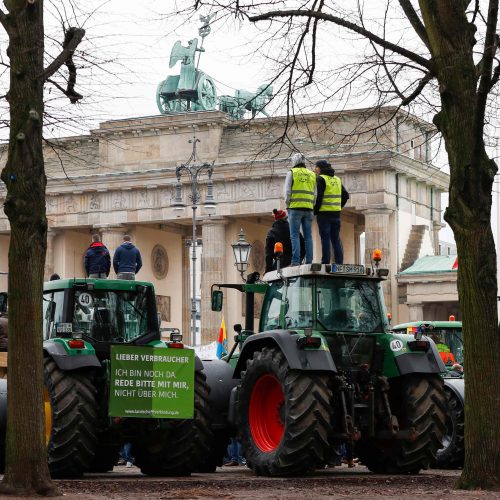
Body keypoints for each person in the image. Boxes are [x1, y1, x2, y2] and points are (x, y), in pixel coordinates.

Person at [314, 160, 350, 264]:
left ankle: (325, 262)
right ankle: (339, 262)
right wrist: (339, 206)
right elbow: (346, 195)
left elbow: (319, 197)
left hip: (324, 214)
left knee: (325, 239)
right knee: (335, 239)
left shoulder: (320, 179)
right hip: (336, 214)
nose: (314, 169)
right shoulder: (337, 179)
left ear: (320, 168)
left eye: (316, 167)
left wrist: (315, 211)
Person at [284, 153, 316, 265]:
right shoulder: (312, 174)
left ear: (294, 161)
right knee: (308, 236)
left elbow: (287, 192)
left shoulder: (291, 173)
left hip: (295, 208)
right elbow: (315, 194)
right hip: (308, 208)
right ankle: (309, 261)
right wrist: (312, 206)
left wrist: (287, 204)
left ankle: (296, 261)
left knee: (294, 235)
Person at [264, 208, 305, 273]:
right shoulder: (293, 229)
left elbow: (268, 255)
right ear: (285, 218)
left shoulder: (271, 233)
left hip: (280, 264)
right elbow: (303, 245)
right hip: (295, 262)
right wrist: (300, 259)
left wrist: (268, 271)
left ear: (275, 220)